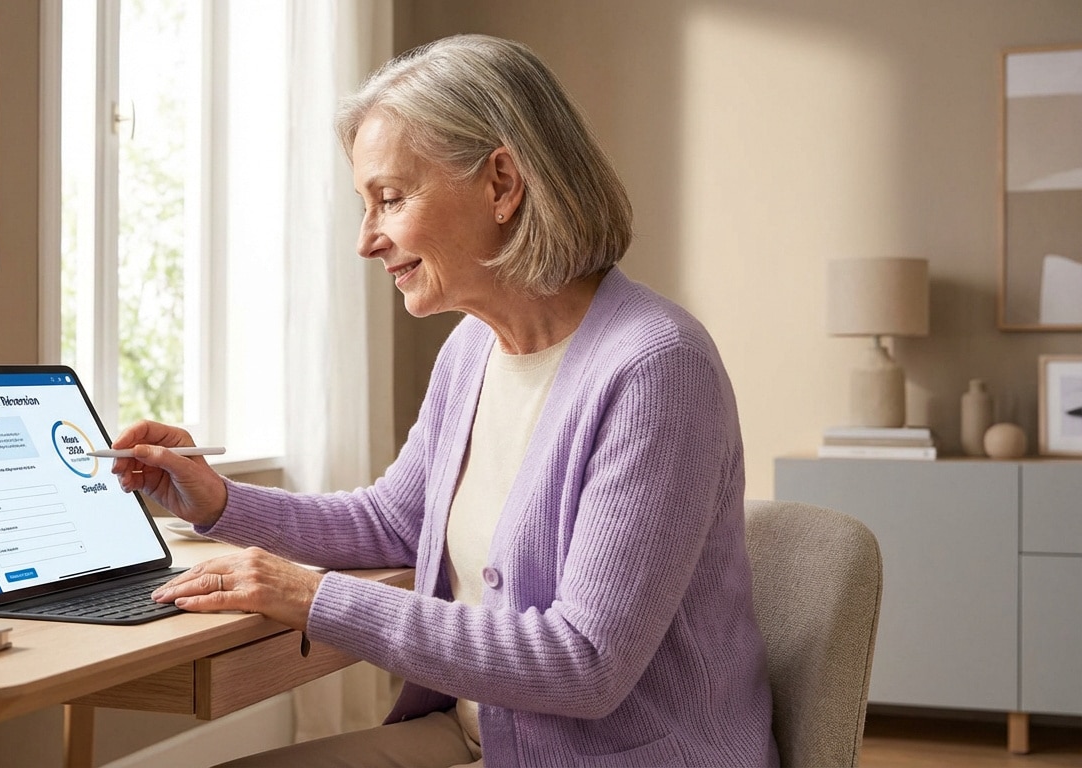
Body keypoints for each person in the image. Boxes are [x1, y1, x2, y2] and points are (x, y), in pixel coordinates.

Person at [109, 33, 778, 768]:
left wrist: (310, 596)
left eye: (389, 200)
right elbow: (395, 520)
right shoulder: (471, 350)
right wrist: (218, 503)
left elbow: (583, 662)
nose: (367, 241)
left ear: (501, 183)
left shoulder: (657, 368)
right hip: (479, 737)